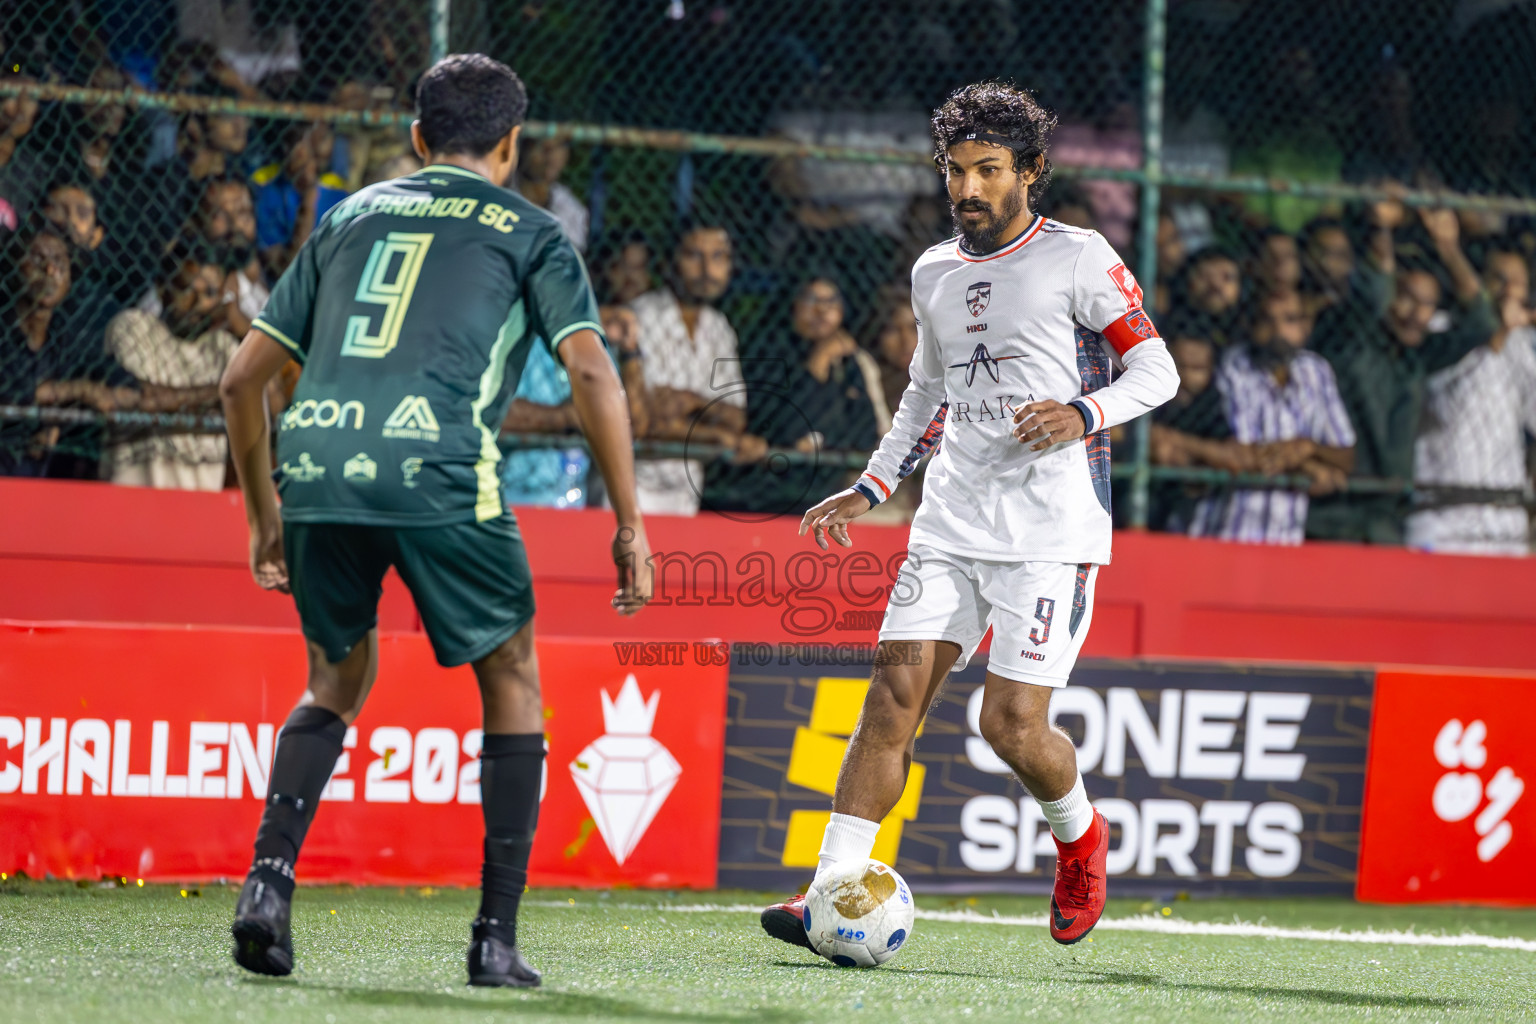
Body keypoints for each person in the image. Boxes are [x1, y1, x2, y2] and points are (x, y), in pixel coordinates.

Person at [217, 53, 652, 988]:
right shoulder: (532, 231)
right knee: (513, 676)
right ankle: (494, 939)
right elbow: (590, 374)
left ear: (417, 139)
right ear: (511, 145)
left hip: (318, 468)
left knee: (334, 679)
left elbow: (241, 378)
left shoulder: (349, 215)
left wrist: (264, 515)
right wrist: (628, 520)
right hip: (441, 468)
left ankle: (266, 885)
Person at [759, 81, 1177, 951]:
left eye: (988, 170)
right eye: (956, 171)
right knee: (890, 702)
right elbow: (924, 393)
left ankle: (1081, 839)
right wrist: (872, 485)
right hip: (949, 523)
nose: (968, 189)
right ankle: (828, 895)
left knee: (1009, 725)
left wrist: (1083, 412)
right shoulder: (933, 270)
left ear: (1029, 171)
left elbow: (1158, 372)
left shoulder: (1079, 255)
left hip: (1049, 533)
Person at [1310, 201, 1497, 544]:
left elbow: (1481, 325)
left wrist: (1449, 248)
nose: (1415, 314)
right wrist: (1382, 229)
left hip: (1387, 516)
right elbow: (1373, 292)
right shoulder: (1353, 339)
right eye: (1407, 299)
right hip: (1333, 512)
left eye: (1427, 304)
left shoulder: (1418, 358)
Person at [1188, 290, 1356, 544]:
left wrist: (1308, 448)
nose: (1278, 331)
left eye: (1289, 320)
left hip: (1284, 538)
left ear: (1305, 326)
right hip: (1223, 532)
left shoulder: (1316, 371)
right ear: (1251, 325)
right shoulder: (1234, 366)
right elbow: (1245, 454)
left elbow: (1345, 454)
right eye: (1267, 320)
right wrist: (1308, 466)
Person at [1405, 246, 1536, 555]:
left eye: (1519, 282)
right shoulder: (1441, 329)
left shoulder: (1525, 347)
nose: (1510, 290)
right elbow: (1436, 389)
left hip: (1504, 518)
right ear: (1478, 283)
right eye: (1499, 280)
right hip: (1441, 515)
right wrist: (1498, 329)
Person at [629, 219, 764, 515]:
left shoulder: (719, 328)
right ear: (670, 261)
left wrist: (692, 402)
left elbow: (735, 417)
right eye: (694, 256)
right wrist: (713, 432)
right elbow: (648, 420)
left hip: (687, 489)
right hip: (631, 483)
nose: (707, 270)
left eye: (718, 257)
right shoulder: (640, 316)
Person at [102, 241, 239, 490]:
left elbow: (258, 402)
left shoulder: (223, 346)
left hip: (200, 503)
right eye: (186, 290)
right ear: (162, 288)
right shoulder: (134, 326)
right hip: (133, 493)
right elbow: (144, 398)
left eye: (209, 293)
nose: (197, 303)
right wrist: (219, 394)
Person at [252, 121, 350, 278]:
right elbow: (286, 272)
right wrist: (308, 203)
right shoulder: (268, 194)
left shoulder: (340, 197)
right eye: (301, 144)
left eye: (321, 140)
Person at [515, 133, 587, 253]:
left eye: (559, 146)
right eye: (541, 145)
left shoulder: (571, 209)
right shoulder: (502, 193)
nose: (550, 156)